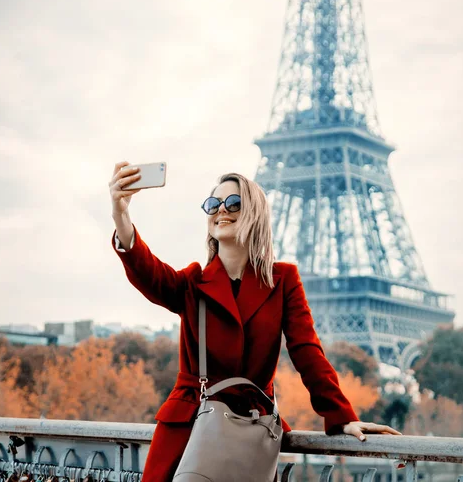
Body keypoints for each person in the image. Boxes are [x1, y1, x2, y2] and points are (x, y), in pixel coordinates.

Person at [109, 162, 401, 482]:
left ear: (254, 214)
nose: (222, 210)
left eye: (233, 203)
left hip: (251, 434)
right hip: (188, 431)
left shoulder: (283, 280)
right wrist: (121, 215)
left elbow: (307, 352)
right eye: (213, 204)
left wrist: (343, 417)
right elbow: (148, 272)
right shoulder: (192, 282)